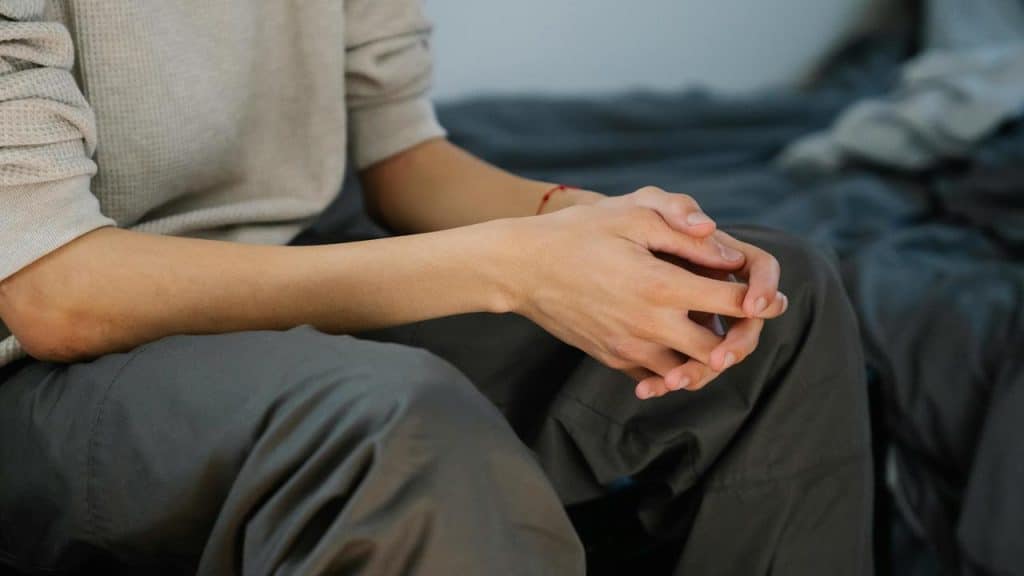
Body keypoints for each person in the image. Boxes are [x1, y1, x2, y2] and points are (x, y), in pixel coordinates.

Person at [0, 1, 873, 574]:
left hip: (303, 265)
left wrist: (603, 229)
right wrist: (512, 265)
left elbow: (401, 154)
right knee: (397, 422)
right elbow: (57, 293)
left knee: (756, 304)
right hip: (60, 365)